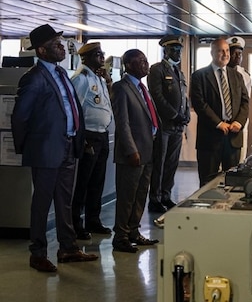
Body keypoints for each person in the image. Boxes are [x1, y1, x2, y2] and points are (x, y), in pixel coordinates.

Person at [11, 24, 98, 273]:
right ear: (42, 50)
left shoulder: (62, 74)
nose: (63, 47)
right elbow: (20, 117)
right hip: (46, 151)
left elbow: (71, 108)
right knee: (42, 203)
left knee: (65, 202)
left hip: (68, 147)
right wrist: (27, 148)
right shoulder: (33, 78)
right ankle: (37, 253)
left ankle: (67, 248)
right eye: (57, 44)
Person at [111, 49, 159, 253]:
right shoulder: (121, 88)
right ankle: (120, 237)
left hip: (148, 150)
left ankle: (133, 231)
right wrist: (131, 150)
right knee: (127, 196)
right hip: (132, 154)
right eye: (140, 61)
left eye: (146, 60)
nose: (146, 64)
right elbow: (123, 123)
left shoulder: (142, 87)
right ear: (128, 64)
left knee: (141, 195)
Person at [190, 38, 250, 187]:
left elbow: (245, 102)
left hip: (233, 136)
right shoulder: (199, 76)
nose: (225, 54)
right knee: (207, 182)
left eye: (227, 50)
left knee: (233, 181)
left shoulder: (237, 76)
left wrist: (239, 122)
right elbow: (199, 104)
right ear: (212, 53)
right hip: (210, 137)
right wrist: (218, 123)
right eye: (221, 51)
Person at [70, 42, 113, 240]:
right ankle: (76, 224)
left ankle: (93, 220)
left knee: (97, 181)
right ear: (85, 58)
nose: (102, 57)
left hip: (102, 135)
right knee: (83, 183)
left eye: (102, 53)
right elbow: (74, 110)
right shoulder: (82, 79)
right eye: (97, 54)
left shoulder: (99, 78)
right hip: (88, 136)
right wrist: (82, 139)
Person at [147, 35, 190, 214]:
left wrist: (186, 115)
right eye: (174, 50)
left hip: (177, 126)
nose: (177, 53)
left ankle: (166, 195)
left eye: (179, 50)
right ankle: (155, 198)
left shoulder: (178, 72)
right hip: (164, 125)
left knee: (172, 163)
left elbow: (184, 98)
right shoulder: (157, 70)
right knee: (160, 162)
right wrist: (174, 115)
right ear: (165, 50)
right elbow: (157, 97)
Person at [226, 36, 251, 162]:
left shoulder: (244, 75)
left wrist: (239, 122)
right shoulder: (218, 73)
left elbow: (245, 102)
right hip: (223, 125)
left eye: (240, 53)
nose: (237, 56)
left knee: (239, 161)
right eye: (234, 53)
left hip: (239, 124)